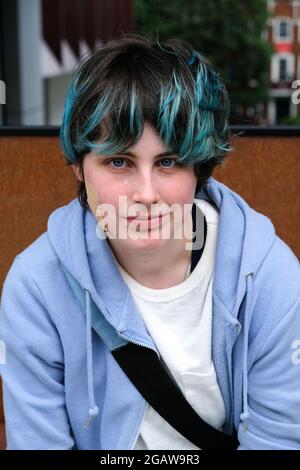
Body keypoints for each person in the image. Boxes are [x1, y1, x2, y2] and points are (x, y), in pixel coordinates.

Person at [0, 33, 299, 451]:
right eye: (118, 161)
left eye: (168, 162)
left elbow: (279, 440)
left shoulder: (270, 278)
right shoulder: (36, 287)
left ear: (199, 169)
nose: (145, 193)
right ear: (78, 168)